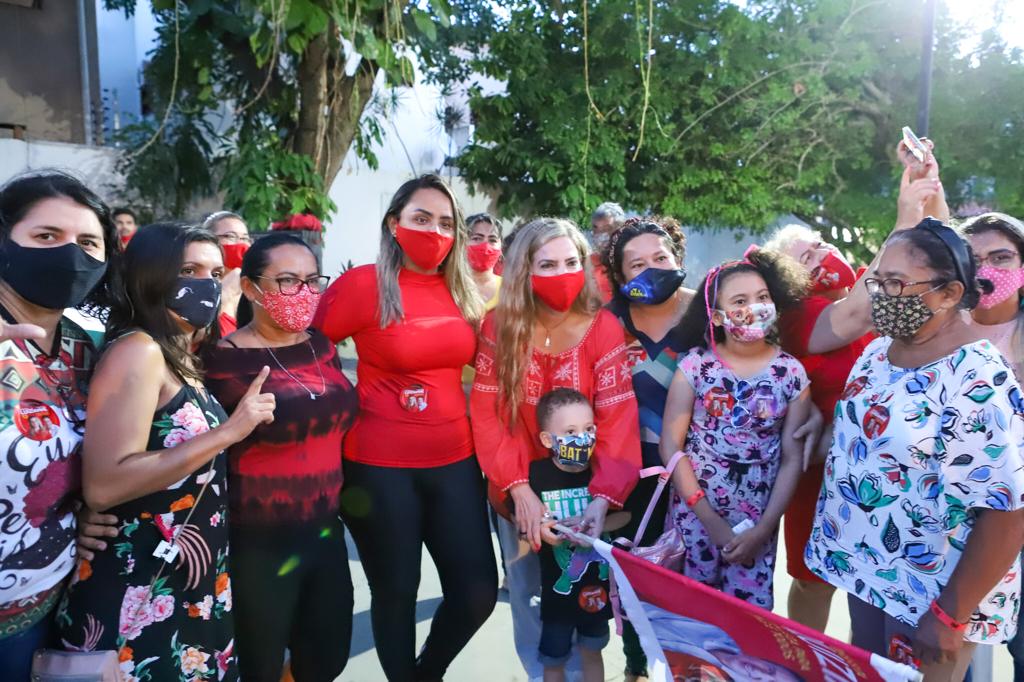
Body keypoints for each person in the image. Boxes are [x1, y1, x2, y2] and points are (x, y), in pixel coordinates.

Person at [805, 219, 1024, 681]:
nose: (882, 295)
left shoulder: (978, 378)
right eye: (878, 281)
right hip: (867, 571)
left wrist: (949, 615)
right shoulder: (877, 351)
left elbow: (1007, 512)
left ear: (949, 294)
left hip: (934, 595)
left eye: (896, 283)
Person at [57, 223, 276, 681]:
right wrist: (228, 432)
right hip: (139, 580)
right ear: (150, 276)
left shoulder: (179, 353)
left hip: (185, 574)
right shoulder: (139, 351)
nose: (206, 285)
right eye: (189, 271)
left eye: (214, 273)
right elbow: (104, 485)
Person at [314, 174, 496, 681]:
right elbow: (303, 355)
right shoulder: (363, 285)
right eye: (421, 218)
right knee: (396, 592)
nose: (435, 231)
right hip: (377, 467)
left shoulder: (463, 291)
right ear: (394, 224)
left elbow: (489, 365)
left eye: (446, 223)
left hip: (456, 461)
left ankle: (425, 673)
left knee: (477, 591)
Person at [470, 216, 641, 679]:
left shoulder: (603, 328)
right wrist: (520, 490)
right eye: (546, 264)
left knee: (583, 597)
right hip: (516, 491)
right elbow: (491, 414)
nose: (561, 273)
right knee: (527, 596)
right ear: (523, 270)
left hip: (584, 498)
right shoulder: (499, 326)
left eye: (570, 262)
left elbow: (617, 420)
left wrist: (602, 499)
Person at [203, 233, 357, 681]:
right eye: (288, 280)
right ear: (250, 289)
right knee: (259, 664)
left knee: (327, 657)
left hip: (325, 530)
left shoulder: (321, 346)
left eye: (311, 280)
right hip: (257, 540)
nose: (303, 292)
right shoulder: (220, 361)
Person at [0, 171, 119, 679]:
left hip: (56, 602)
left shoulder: (89, 344)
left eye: (88, 242)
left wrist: (80, 509)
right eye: (46, 236)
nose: (70, 253)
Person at [659, 248, 811, 610]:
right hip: (694, 518)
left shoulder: (791, 373)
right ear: (716, 316)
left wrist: (765, 528)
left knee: (745, 621)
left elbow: (792, 459)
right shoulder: (695, 367)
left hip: (756, 526)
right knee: (691, 615)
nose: (754, 308)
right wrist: (709, 520)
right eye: (740, 301)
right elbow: (671, 447)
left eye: (762, 297)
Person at [763, 223, 874, 631]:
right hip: (820, 469)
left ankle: (863, 660)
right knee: (814, 580)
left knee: (873, 582)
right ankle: (805, 658)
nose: (821, 256)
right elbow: (859, 314)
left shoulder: (863, 286)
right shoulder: (798, 314)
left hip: (878, 464)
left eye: (820, 245)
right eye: (805, 257)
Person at [530, 388, 611, 682]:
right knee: (553, 661)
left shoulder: (603, 474)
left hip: (597, 592)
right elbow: (522, 523)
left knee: (593, 652)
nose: (583, 437)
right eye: (570, 431)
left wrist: (595, 524)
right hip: (556, 598)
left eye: (589, 428)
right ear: (547, 439)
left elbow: (625, 516)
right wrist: (540, 529)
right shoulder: (535, 475)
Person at [203, 211, 252, 336]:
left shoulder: (253, 290)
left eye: (245, 238)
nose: (240, 243)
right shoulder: (198, 285)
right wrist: (225, 293)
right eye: (230, 236)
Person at [467, 212, 504, 310]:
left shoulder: (511, 289)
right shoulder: (448, 287)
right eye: (477, 238)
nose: (485, 246)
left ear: (501, 247)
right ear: (461, 244)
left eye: (492, 240)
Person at [590, 202, 625, 301]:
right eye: (596, 228)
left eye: (608, 228)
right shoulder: (588, 263)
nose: (601, 235)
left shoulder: (632, 259)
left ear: (621, 229)